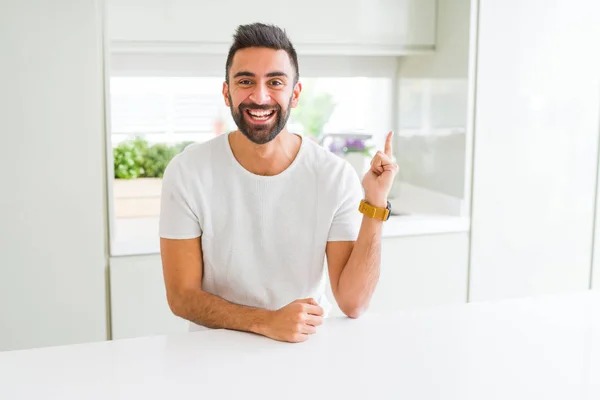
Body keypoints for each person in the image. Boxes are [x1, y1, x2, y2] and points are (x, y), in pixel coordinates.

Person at [159, 22, 399, 343]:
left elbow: (353, 303)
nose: (260, 96)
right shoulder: (188, 171)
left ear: (295, 93)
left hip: (303, 348)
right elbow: (181, 297)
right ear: (226, 91)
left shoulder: (333, 175)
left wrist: (376, 204)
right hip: (212, 351)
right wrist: (266, 322)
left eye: (275, 82)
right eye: (246, 81)